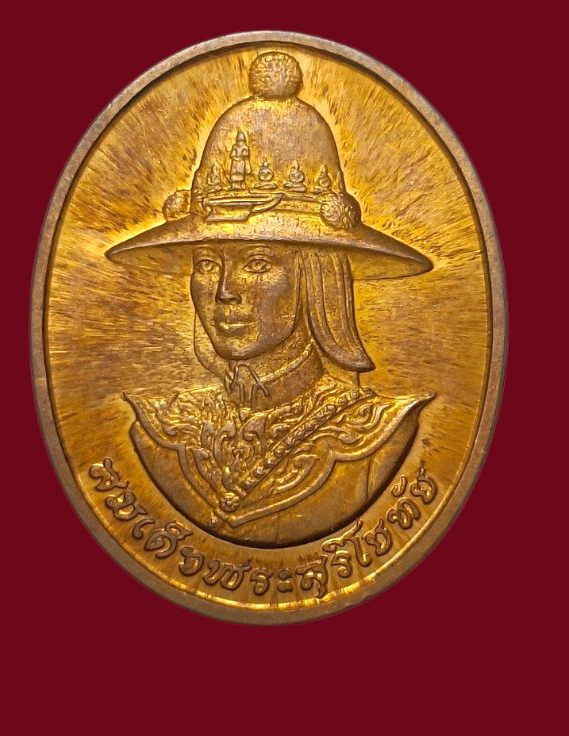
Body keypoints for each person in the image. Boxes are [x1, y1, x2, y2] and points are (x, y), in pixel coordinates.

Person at [107, 51, 434, 546]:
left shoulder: (379, 435)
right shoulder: (159, 430)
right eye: (207, 264)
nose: (224, 292)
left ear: (316, 277)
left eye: (257, 263)